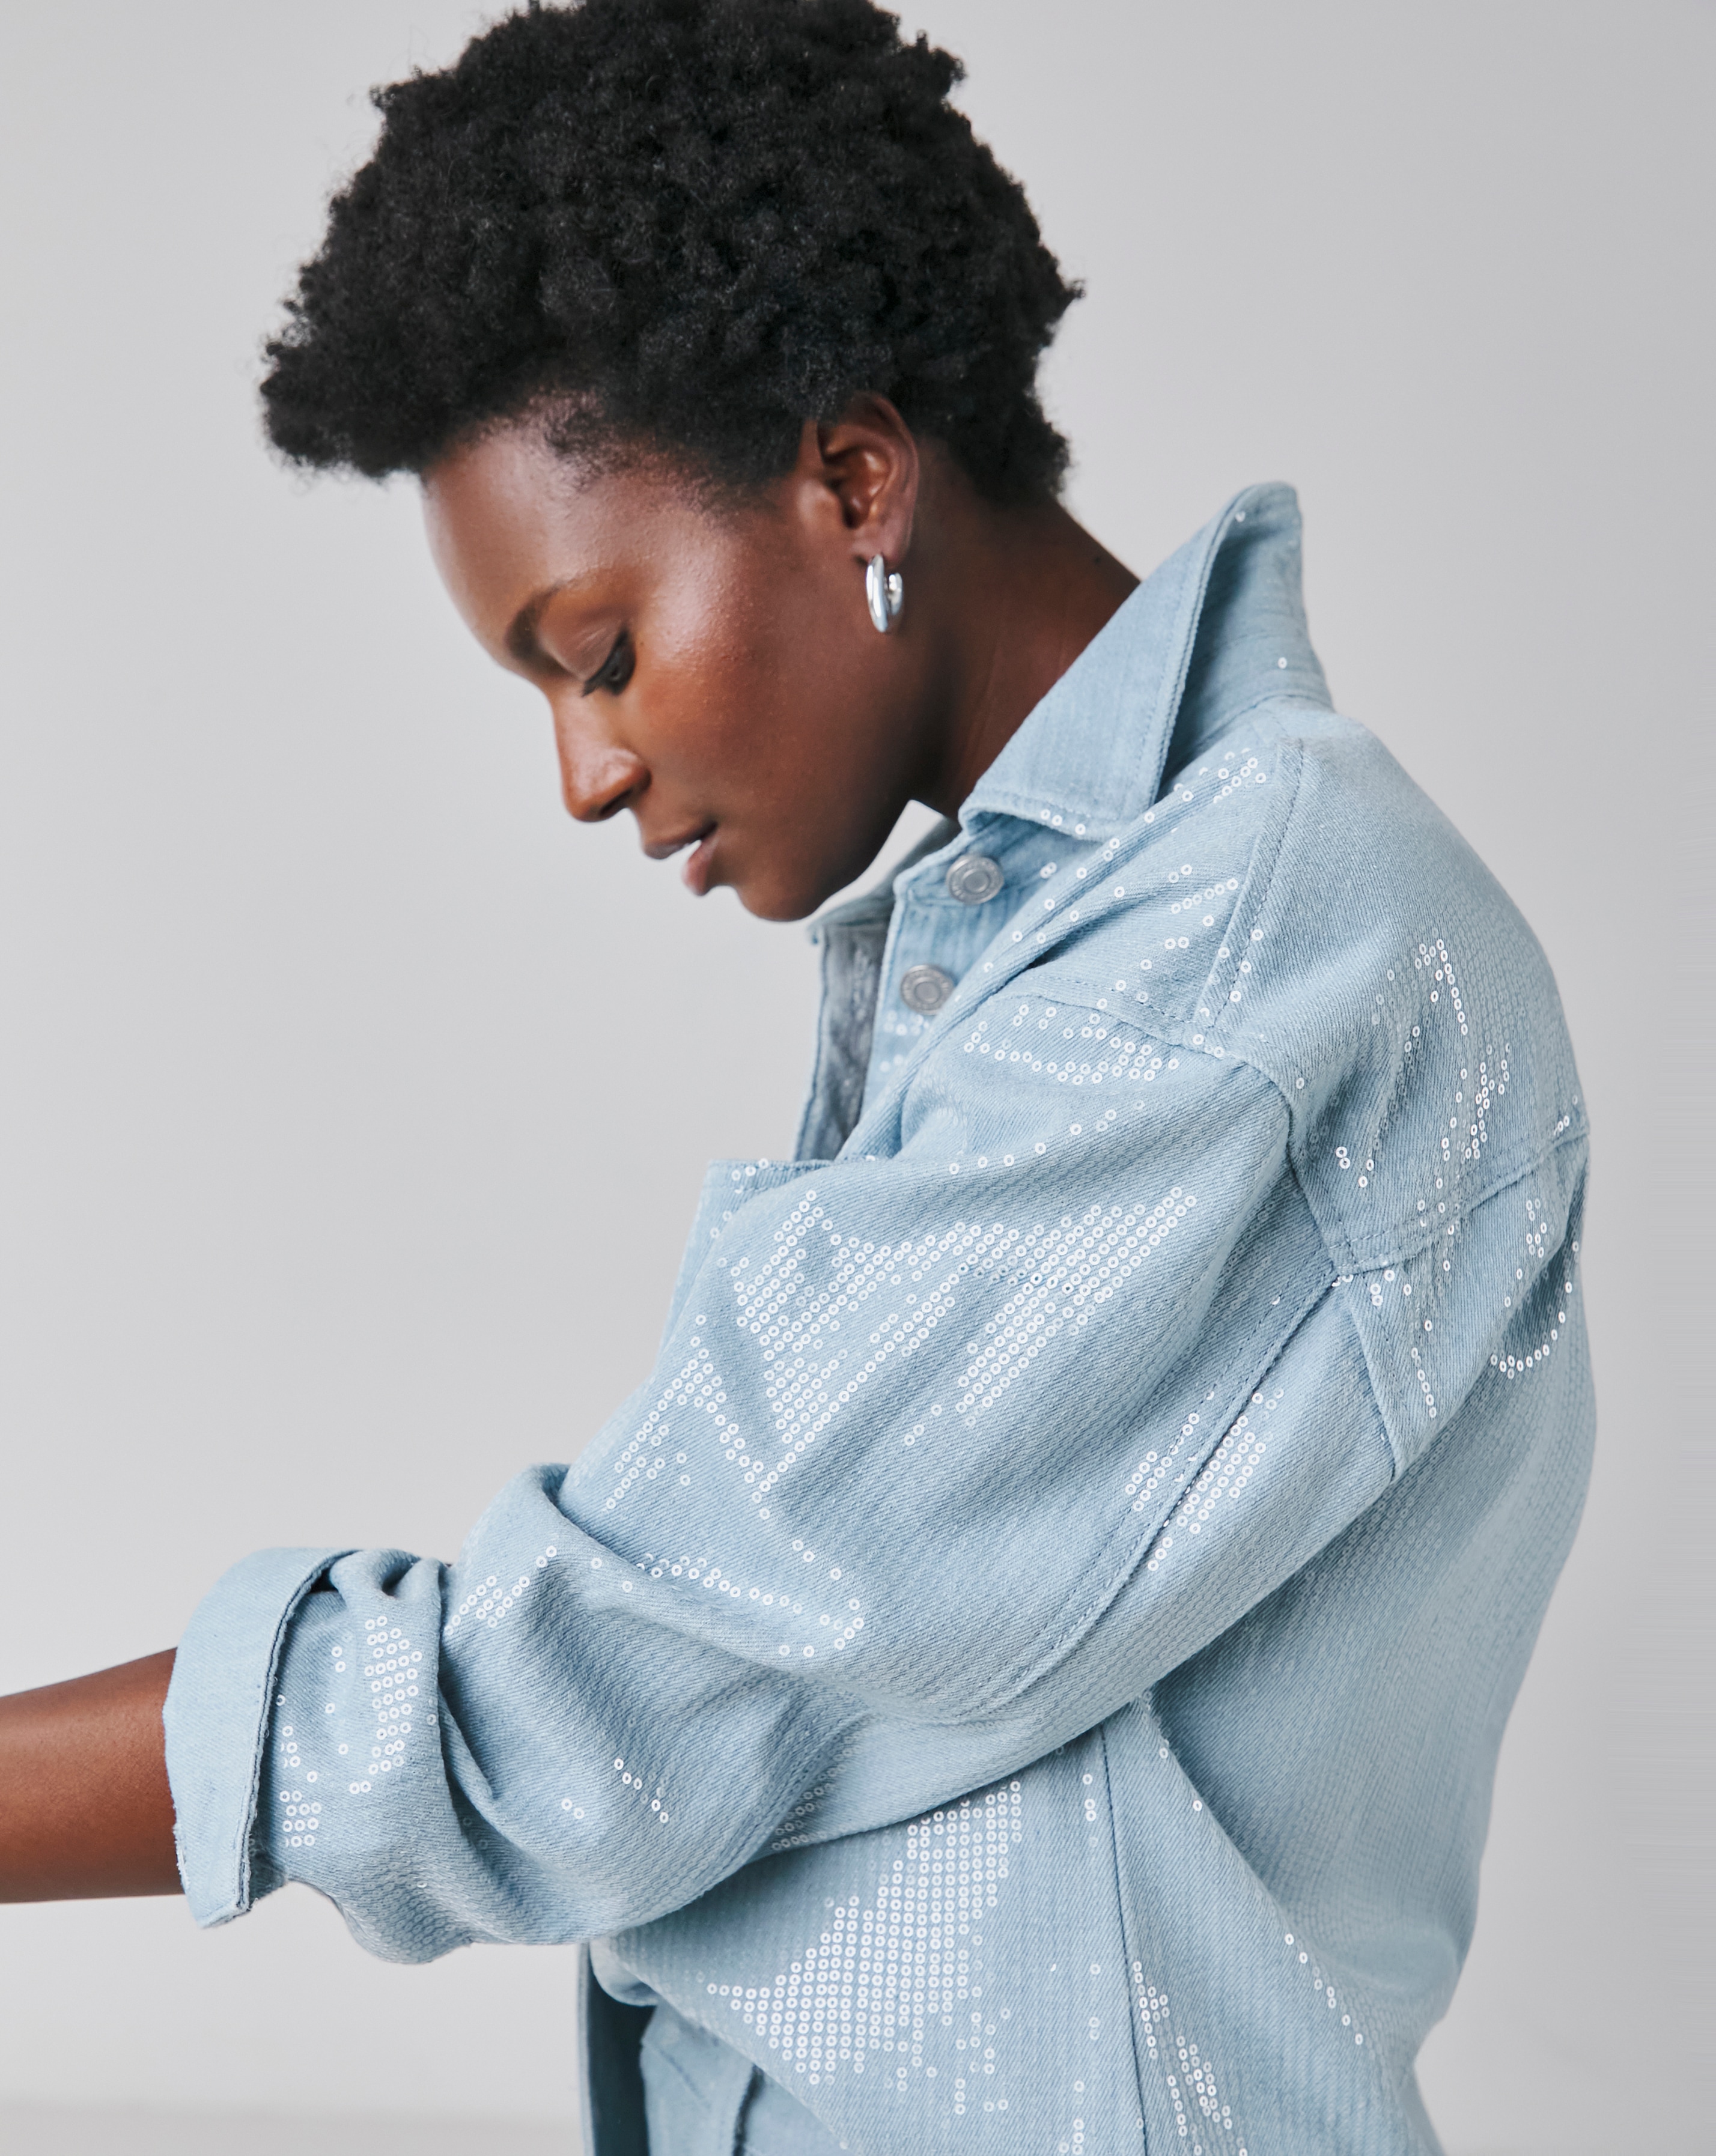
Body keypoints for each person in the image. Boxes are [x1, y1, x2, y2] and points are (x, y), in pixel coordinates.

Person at [0, 4, 1595, 2152]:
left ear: (852, 478)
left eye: (597, 655)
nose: (581, 773)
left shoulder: (1244, 966)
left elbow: (603, 1700)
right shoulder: (1086, 949)